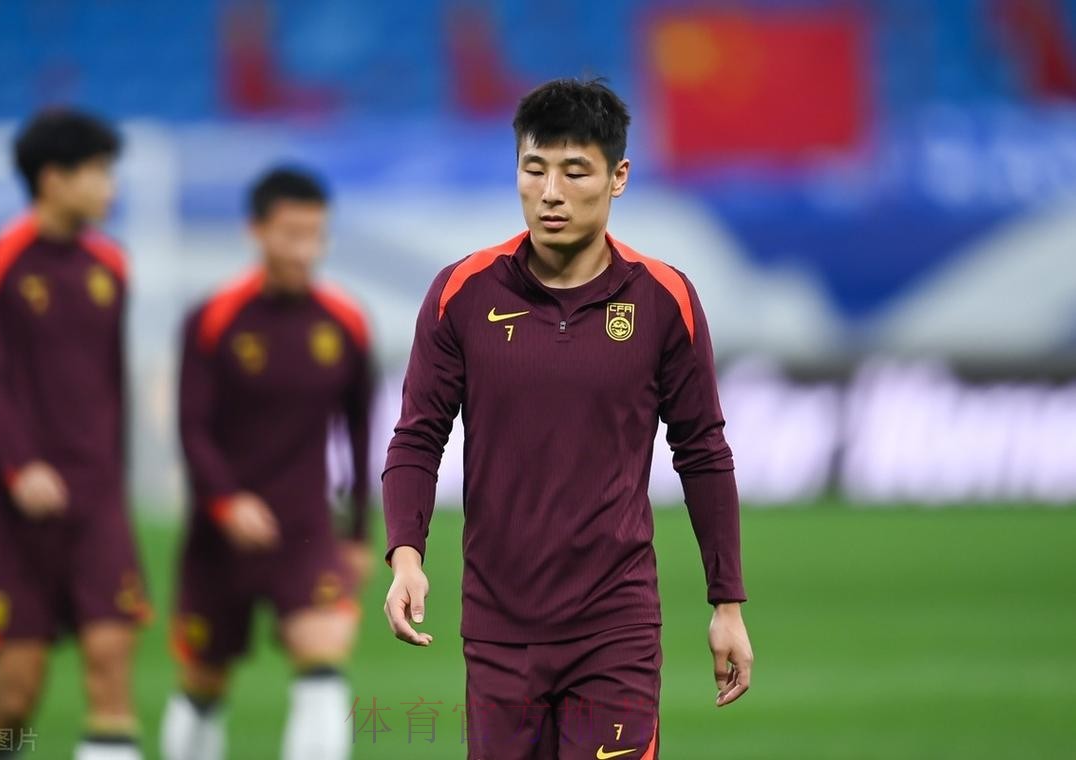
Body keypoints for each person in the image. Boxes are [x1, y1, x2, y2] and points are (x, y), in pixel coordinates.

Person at [382, 78, 755, 758]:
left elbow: (703, 450)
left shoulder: (664, 298)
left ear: (618, 177)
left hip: (616, 628)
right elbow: (417, 437)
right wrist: (406, 557)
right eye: (534, 169)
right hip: (498, 629)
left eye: (575, 171)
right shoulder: (461, 293)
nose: (550, 192)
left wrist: (725, 603)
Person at [160, 167, 375, 760]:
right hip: (218, 538)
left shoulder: (345, 321)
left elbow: (361, 434)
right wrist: (226, 502)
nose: (305, 250)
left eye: (316, 235)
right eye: (291, 234)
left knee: (324, 660)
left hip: (305, 528)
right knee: (204, 682)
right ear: (256, 232)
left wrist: (359, 533)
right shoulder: (214, 319)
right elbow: (191, 427)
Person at [0, 109, 148, 760]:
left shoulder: (111, 264)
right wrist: (21, 467)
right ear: (53, 179)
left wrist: (116, 479)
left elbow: (112, 382)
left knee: (111, 662)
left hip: (97, 500)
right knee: (17, 693)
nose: (110, 186)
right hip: (15, 508)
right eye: (98, 171)